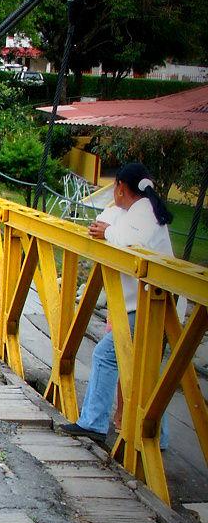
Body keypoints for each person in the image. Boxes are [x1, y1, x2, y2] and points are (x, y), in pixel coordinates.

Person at [63, 162, 175, 444]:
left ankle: (94, 422)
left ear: (120, 187)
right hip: (151, 305)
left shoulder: (144, 213)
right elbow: (111, 221)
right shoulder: (136, 210)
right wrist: (106, 228)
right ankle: (156, 437)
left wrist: (107, 232)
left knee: (105, 356)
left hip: (151, 306)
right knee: (144, 371)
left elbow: (132, 242)